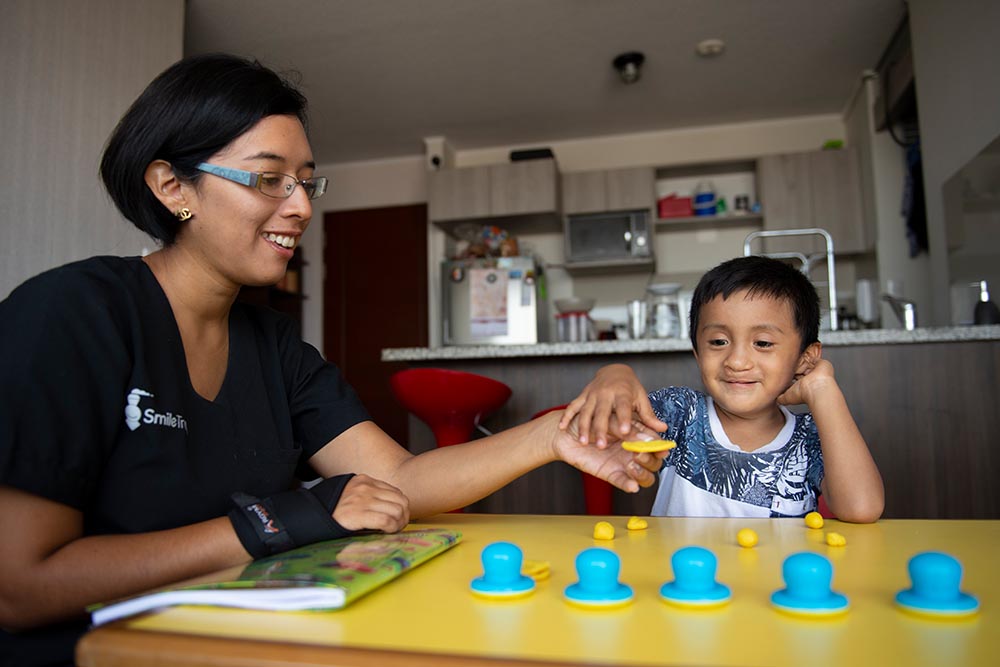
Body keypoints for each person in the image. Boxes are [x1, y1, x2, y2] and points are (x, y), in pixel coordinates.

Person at [0, 54, 659, 666]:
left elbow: (399, 478)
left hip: (232, 645)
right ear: (173, 186)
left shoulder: (275, 347)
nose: (302, 206)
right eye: (268, 179)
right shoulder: (71, 315)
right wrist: (277, 521)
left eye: (306, 181)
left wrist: (554, 435)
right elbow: (20, 587)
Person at [560, 255, 884, 522]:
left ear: (805, 358)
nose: (737, 360)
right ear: (697, 352)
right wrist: (614, 373)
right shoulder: (680, 413)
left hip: (773, 595)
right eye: (718, 342)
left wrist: (823, 389)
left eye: (763, 343)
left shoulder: (812, 436)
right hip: (681, 592)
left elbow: (862, 508)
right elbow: (614, 416)